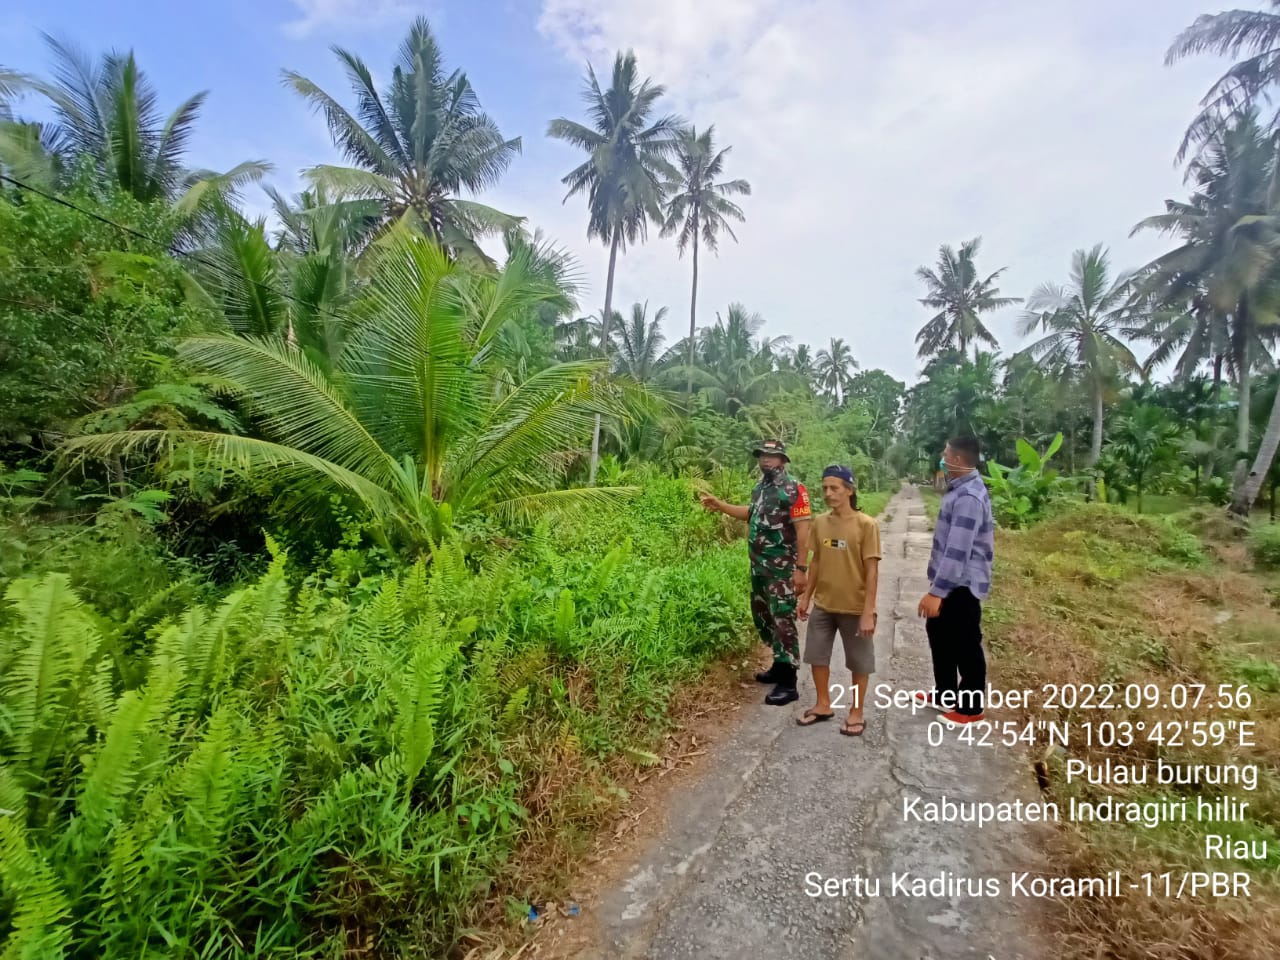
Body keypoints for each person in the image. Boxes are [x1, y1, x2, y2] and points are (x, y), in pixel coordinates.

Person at [700, 439, 812, 705]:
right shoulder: (760, 488)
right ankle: (779, 665)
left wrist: (801, 569)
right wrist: (721, 506)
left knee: (783, 620)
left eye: (772, 456)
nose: (766, 460)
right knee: (766, 617)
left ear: (783, 460)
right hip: (760, 567)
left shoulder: (795, 489)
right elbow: (751, 514)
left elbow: (804, 530)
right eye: (762, 455)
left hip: (782, 569)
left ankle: (789, 683)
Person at [797, 465, 881, 736]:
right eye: (825, 488)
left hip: (854, 607)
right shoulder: (820, 522)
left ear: (849, 490)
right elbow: (817, 561)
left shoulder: (866, 525)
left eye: (834, 488)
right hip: (824, 604)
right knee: (817, 656)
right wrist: (806, 597)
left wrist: (868, 612)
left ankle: (856, 712)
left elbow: (872, 571)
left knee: (859, 662)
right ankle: (823, 705)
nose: (828, 493)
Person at [916, 436, 994, 724]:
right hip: (950, 582)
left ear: (958, 459)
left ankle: (970, 708)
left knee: (965, 645)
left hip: (961, 585)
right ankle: (945, 694)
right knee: (940, 636)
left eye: (945, 453)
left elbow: (958, 550)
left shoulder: (969, 497)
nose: (942, 456)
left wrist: (937, 592)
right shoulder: (958, 490)